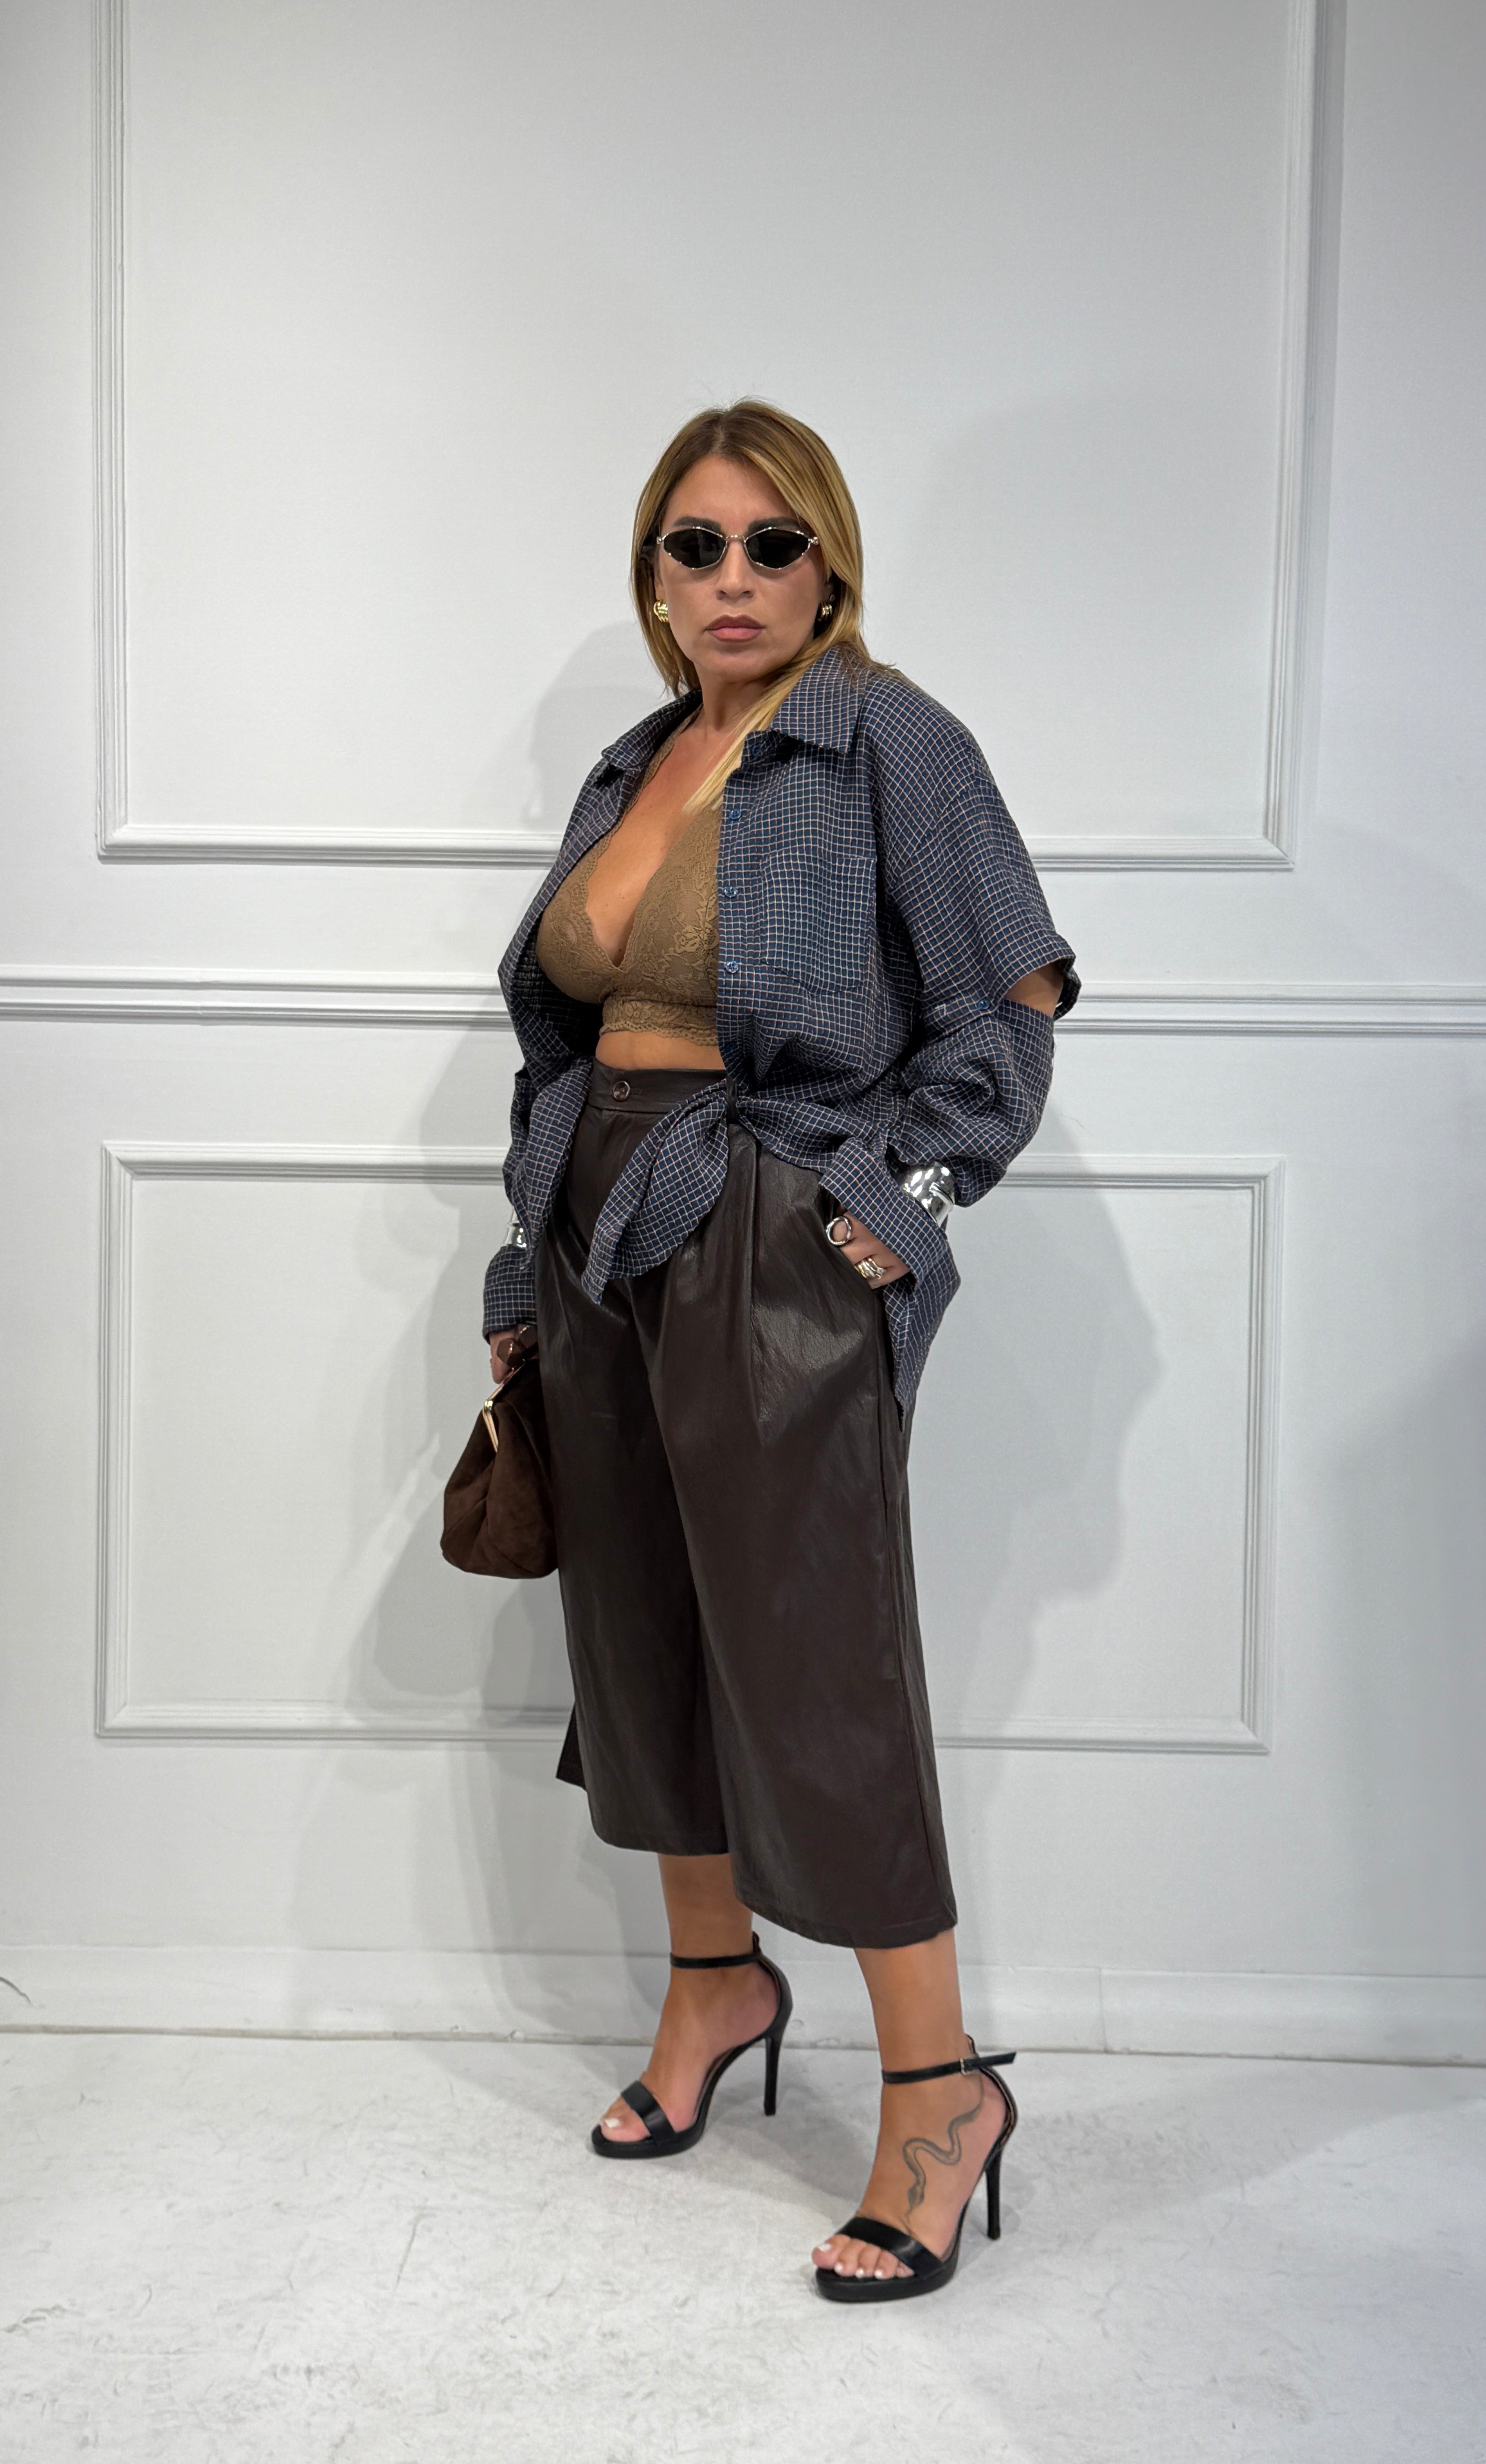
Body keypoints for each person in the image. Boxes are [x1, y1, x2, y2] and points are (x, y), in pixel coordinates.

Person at [480, 400, 1078, 2301]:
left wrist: (899, 1201)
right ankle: (715, 1983)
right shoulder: (635, 761)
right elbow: (559, 1043)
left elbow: (1012, 999)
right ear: (652, 576)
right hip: (599, 1214)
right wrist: (522, 1273)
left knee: (816, 1658)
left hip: (768, 1216)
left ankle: (939, 2093)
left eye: (771, 543)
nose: (731, 577)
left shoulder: (890, 738)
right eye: (695, 545)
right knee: (640, 1631)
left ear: (829, 567)